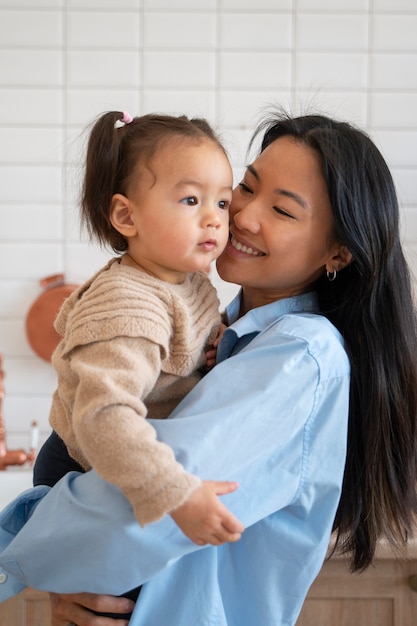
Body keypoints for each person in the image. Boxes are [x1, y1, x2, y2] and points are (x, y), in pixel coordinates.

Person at [1, 110, 417, 626]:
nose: (238, 216)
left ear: (337, 252)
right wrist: (77, 581)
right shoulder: (219, 324)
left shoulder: (299, 356)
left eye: (283, 211)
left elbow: (125, 515)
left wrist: (42, 553)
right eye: (246, 187)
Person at [35, 109, 244, 547]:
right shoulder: (129, 304)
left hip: (126, 463)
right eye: (191, 200)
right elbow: (102, 416)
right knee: (111, 608)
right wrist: (176, 493)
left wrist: (217, 339)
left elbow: (181, 347)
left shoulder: (185, 279)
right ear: (127, 218)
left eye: (222, 202)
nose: (214, 219)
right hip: (85, 468)